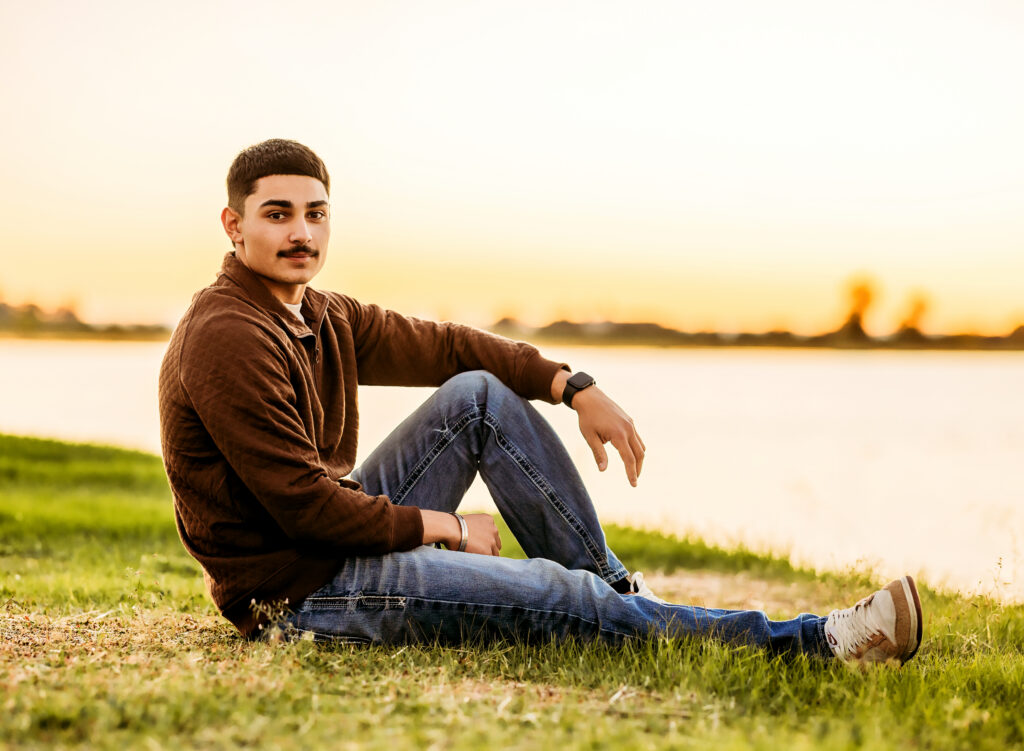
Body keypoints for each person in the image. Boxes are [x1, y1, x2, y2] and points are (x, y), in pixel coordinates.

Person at [158, 138, 923, 665]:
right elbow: (303, 507)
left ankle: (625, 602)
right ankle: (816, 641)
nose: (301, 233)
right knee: (553, 592)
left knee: (478, 396)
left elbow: (453, 348)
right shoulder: (229, 335)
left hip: (331, 545)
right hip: (297, 595)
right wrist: (446, 526)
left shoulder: (320, 313)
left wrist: (570, 384)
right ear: (234, 226)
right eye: (278, 214)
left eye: (315, 213)